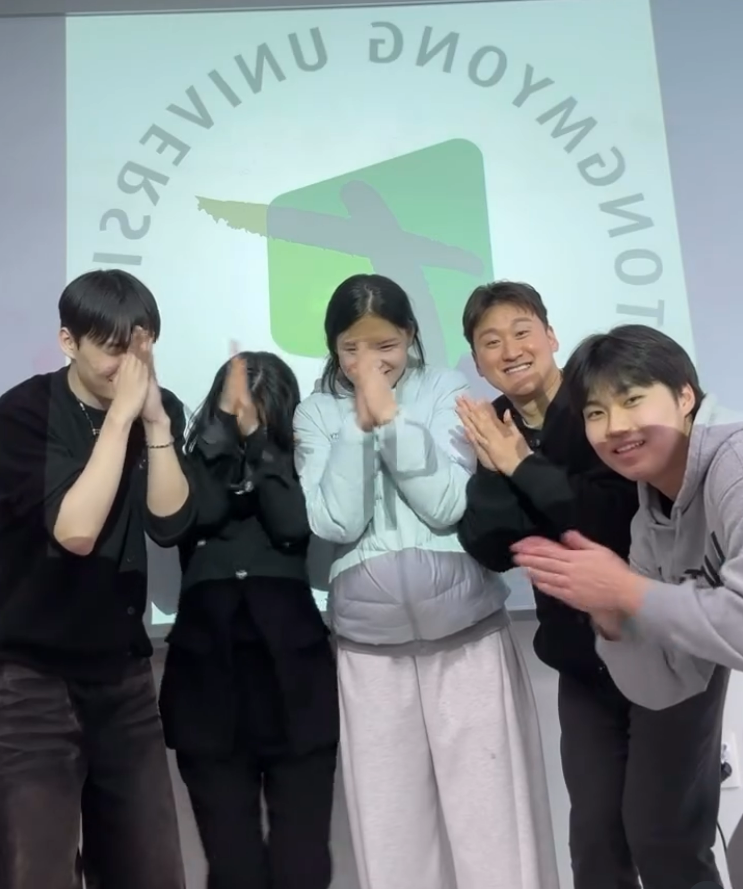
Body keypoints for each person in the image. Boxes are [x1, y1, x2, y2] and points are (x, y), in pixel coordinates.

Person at [293, 273, 559, 889]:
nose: (369, 362)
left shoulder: (444, 389)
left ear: (410, 335)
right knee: (392, 835)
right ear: (333, 347)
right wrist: (360, 426)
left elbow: (446, 504)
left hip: (467, 632)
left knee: (494, 824)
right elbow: (335, 520)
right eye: (351, 349)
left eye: (385, 345)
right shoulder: (315, 412)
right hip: (369, 647)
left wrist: (391, 420)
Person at [457, 284, 727, 889]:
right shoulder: (493, 428)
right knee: (596, 843)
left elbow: (611, 519)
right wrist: (505, 471)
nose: (510, 350)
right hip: (582, 661)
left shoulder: (600, 408)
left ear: (551, 336)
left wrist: (523, 469)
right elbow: (492, 544)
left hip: (668, 647)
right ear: (477, 360)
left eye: (522, 332)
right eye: (491, 341)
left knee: (665, 839)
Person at [0, 269, 191, 889]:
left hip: (124, 676)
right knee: (37, 868)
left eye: (141, 348)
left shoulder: (156, 409)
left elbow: (169, 524)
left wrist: (156, 425)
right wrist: (121, 419)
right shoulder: (22, 413)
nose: (128, 366)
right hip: (30, 681)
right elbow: (76, 531)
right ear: (68, 341)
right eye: (112, 349)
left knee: (150, 868)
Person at [159, 349, 338, 889]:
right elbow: (203, 512)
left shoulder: (299, 461)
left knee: (303, 863)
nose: (242, 413)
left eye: (258, 406)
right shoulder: (188, 460)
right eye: (234, 403)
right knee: (232, 866)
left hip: (294, 683)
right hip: (207, 682)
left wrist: (260, 441)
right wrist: (220, 439)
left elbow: (290, 525)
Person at [513, 324, 742, 692]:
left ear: (685, 396)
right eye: (595, 413)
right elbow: (666, 686)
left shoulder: (736, 464)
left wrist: (626, 589)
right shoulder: (648, 523)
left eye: (632, 400)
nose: (615, 427)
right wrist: (610, 616)